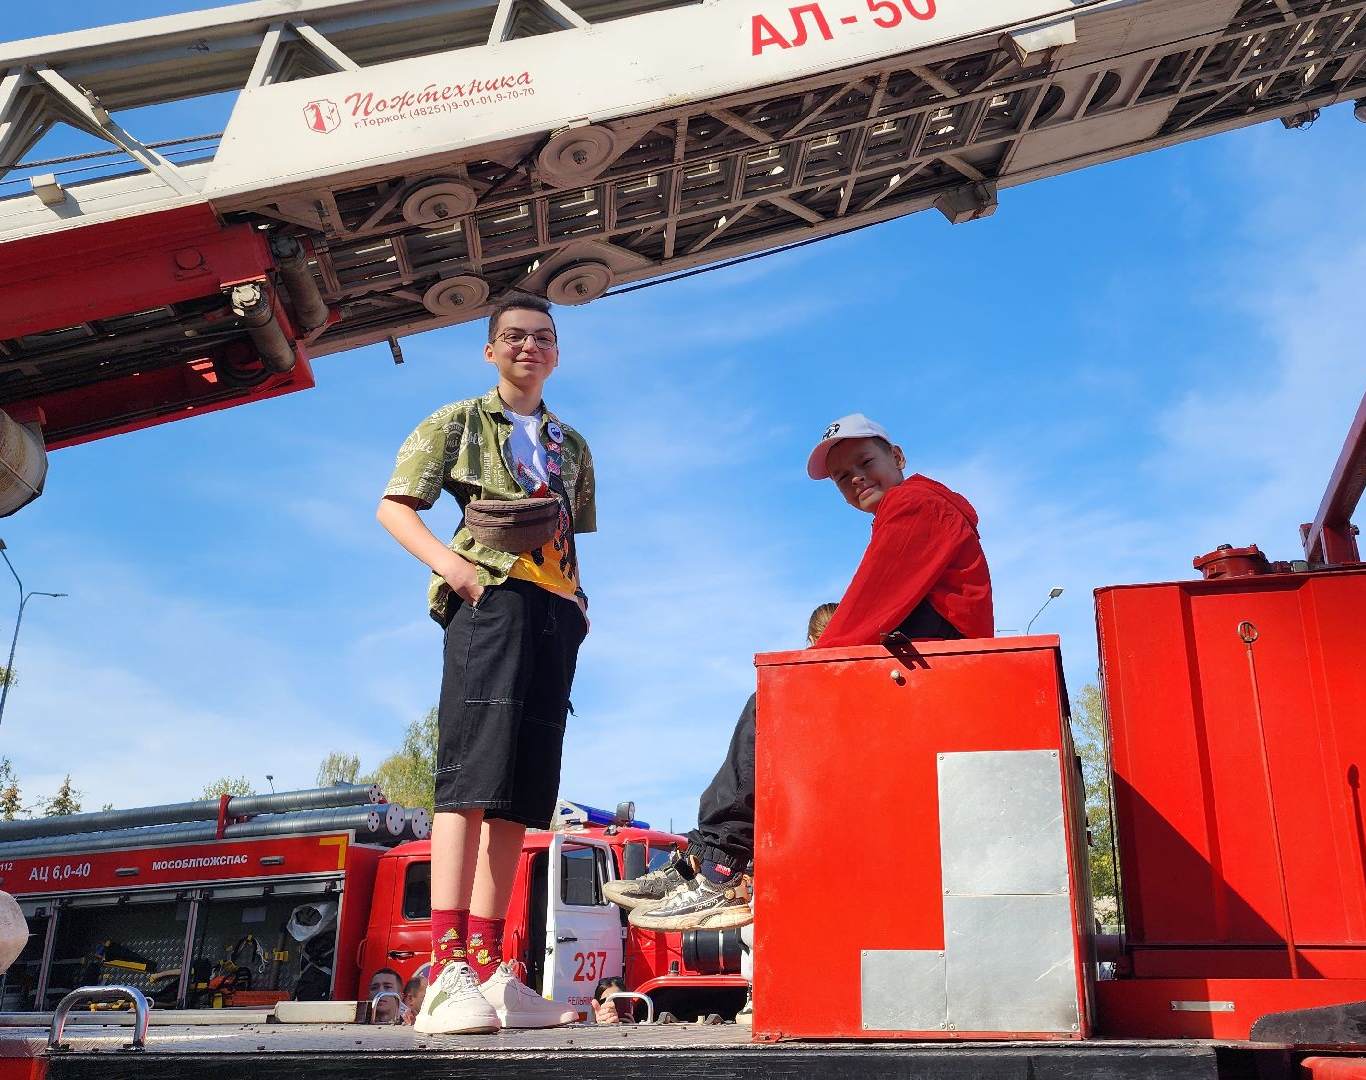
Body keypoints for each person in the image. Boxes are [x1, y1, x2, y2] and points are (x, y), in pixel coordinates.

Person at [611, 415, 992, 932]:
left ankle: (718, 867)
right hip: (927, 678)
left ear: (898, 456)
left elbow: (863, 615)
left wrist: (800, 675)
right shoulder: (914, 508)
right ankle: (703, 861)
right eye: (842, 476)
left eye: (865, 462)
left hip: (931, 684)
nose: (856, 478)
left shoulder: (916, 505)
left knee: (773, 701)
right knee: (778, 700)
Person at [378, 294, 592, 1035]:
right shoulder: (459, 421)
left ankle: (494, 970)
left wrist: (580, 600)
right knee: (470, 777)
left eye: (543, 338)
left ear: (557, 353)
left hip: (555, 608)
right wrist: (455, 569)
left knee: (520, 795)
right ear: (491, 350)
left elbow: (568, 528)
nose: (530, 347)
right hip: (490, 598)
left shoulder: (571, 444)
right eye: (514, 337)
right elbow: (395, 506)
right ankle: (446, 971)